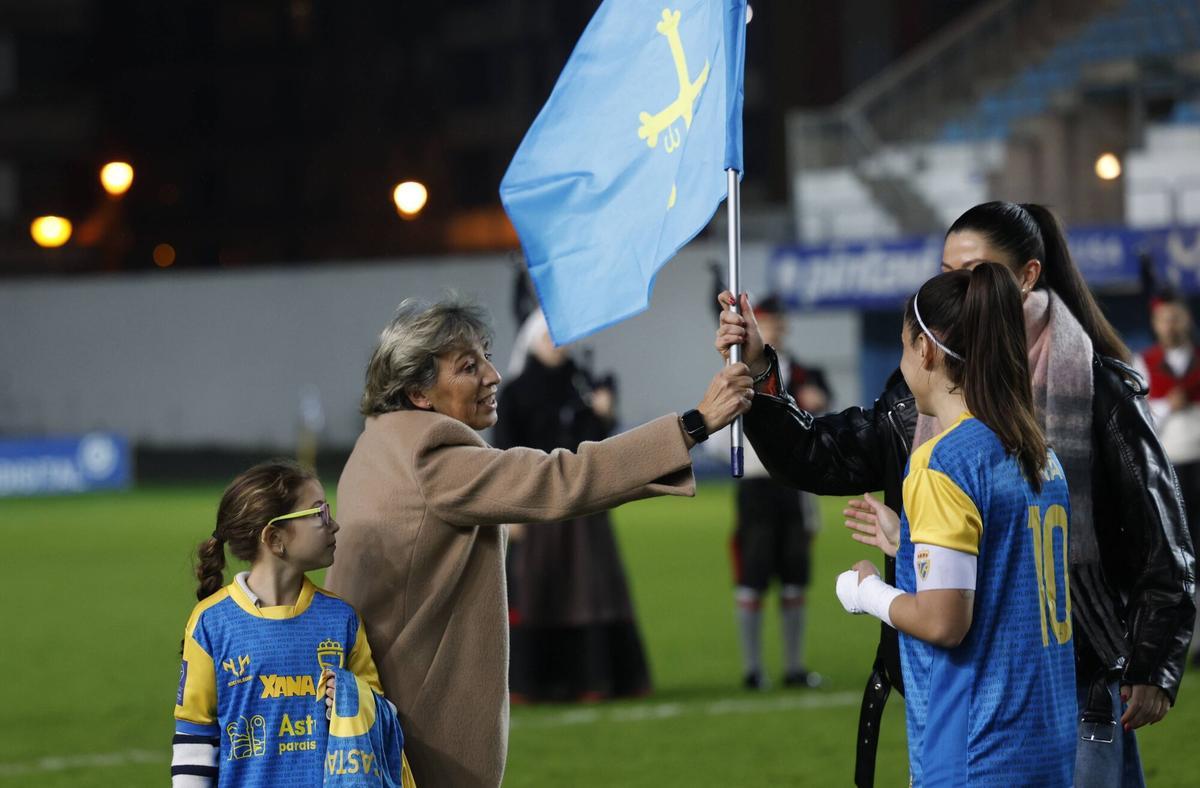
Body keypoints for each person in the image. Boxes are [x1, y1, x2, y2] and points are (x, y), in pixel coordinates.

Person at [716, 201, 1195, 787]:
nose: (955, 288)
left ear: (1025, 276)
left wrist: (1153, 663)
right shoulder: (955, 416)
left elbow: (1162, 541)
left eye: (971, 272)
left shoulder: (1092, 390)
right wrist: (763, 367)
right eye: (946, 272)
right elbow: (816, 454)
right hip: (985, 692)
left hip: (1066, 688)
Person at [324, 296, 753, 788]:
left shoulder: (377, 442)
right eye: (468, 366)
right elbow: (563, 478)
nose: (493, 374)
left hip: (363, 716)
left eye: (486, 354)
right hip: (412, 733)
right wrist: (694, 425)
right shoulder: (431, 455)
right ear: (420, 394)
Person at [837, 263, 1075, 785]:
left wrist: (868, 592)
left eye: (904, 347)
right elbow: (1006, 569)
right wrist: (909, 544)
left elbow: (945, 622)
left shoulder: (941, 462)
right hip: (1047, 742)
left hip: (977, 749)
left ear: (925, 350)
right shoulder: (1039, 453)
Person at [170, 460, 414, 787]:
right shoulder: (211, 623)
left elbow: (382, 719)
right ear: (274, 538)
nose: (334, 525)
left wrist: (351, 699)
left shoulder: (341, 619)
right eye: (319, 514)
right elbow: (195, 738)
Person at [495, 310, 651, 703]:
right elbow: (504, 452)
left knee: (589, 591)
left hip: (583, 510)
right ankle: (535, 682)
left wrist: (602, 414)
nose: (556, 344)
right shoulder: (515, 391)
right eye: (549, 336)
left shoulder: (581, 384)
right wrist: (510, 512)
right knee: (538, 590)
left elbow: (597, 449)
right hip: (537, 507)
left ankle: (593, 679)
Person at [722, 295, 831, 690]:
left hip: (795, 483)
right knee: (752, 575)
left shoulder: (803, 372)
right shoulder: (735, 371)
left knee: (795, 576)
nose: (776, 329)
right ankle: (753, 669)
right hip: (756, 485)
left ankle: (794, 666)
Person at [1134, 292, 1200, 666]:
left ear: (1187, 319)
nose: (1170, 326)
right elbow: (1139, 417)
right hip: (1168, 470)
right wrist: (1166, 406)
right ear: (1156, 323)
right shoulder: (1143, 362)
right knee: (1175, 558)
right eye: (1164, 319)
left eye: (1177, 318)